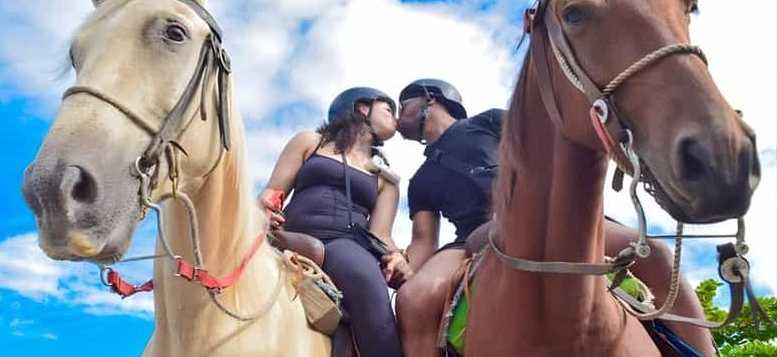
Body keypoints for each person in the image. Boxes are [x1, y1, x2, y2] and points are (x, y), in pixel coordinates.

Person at [391, 78, 715, 357]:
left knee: (655, 252)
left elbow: (546, 148)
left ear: (430, 98)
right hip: (472, 236)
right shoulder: (419, 180)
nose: (397, 113)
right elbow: (423, 241)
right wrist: (403, 265)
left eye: (403, 104)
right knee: (413, 300)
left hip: (546, 217)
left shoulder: (487, 121)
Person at [258, 87, 409, 357]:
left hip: (346, 245)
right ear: (363, 108)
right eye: (388, 110)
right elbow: (273, 191)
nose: (396, 119)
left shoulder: (387, 179)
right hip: (289, 234)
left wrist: (397, 257)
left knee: (369, 285)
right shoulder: (310, 141)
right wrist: (267, 208)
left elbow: (381, 235)